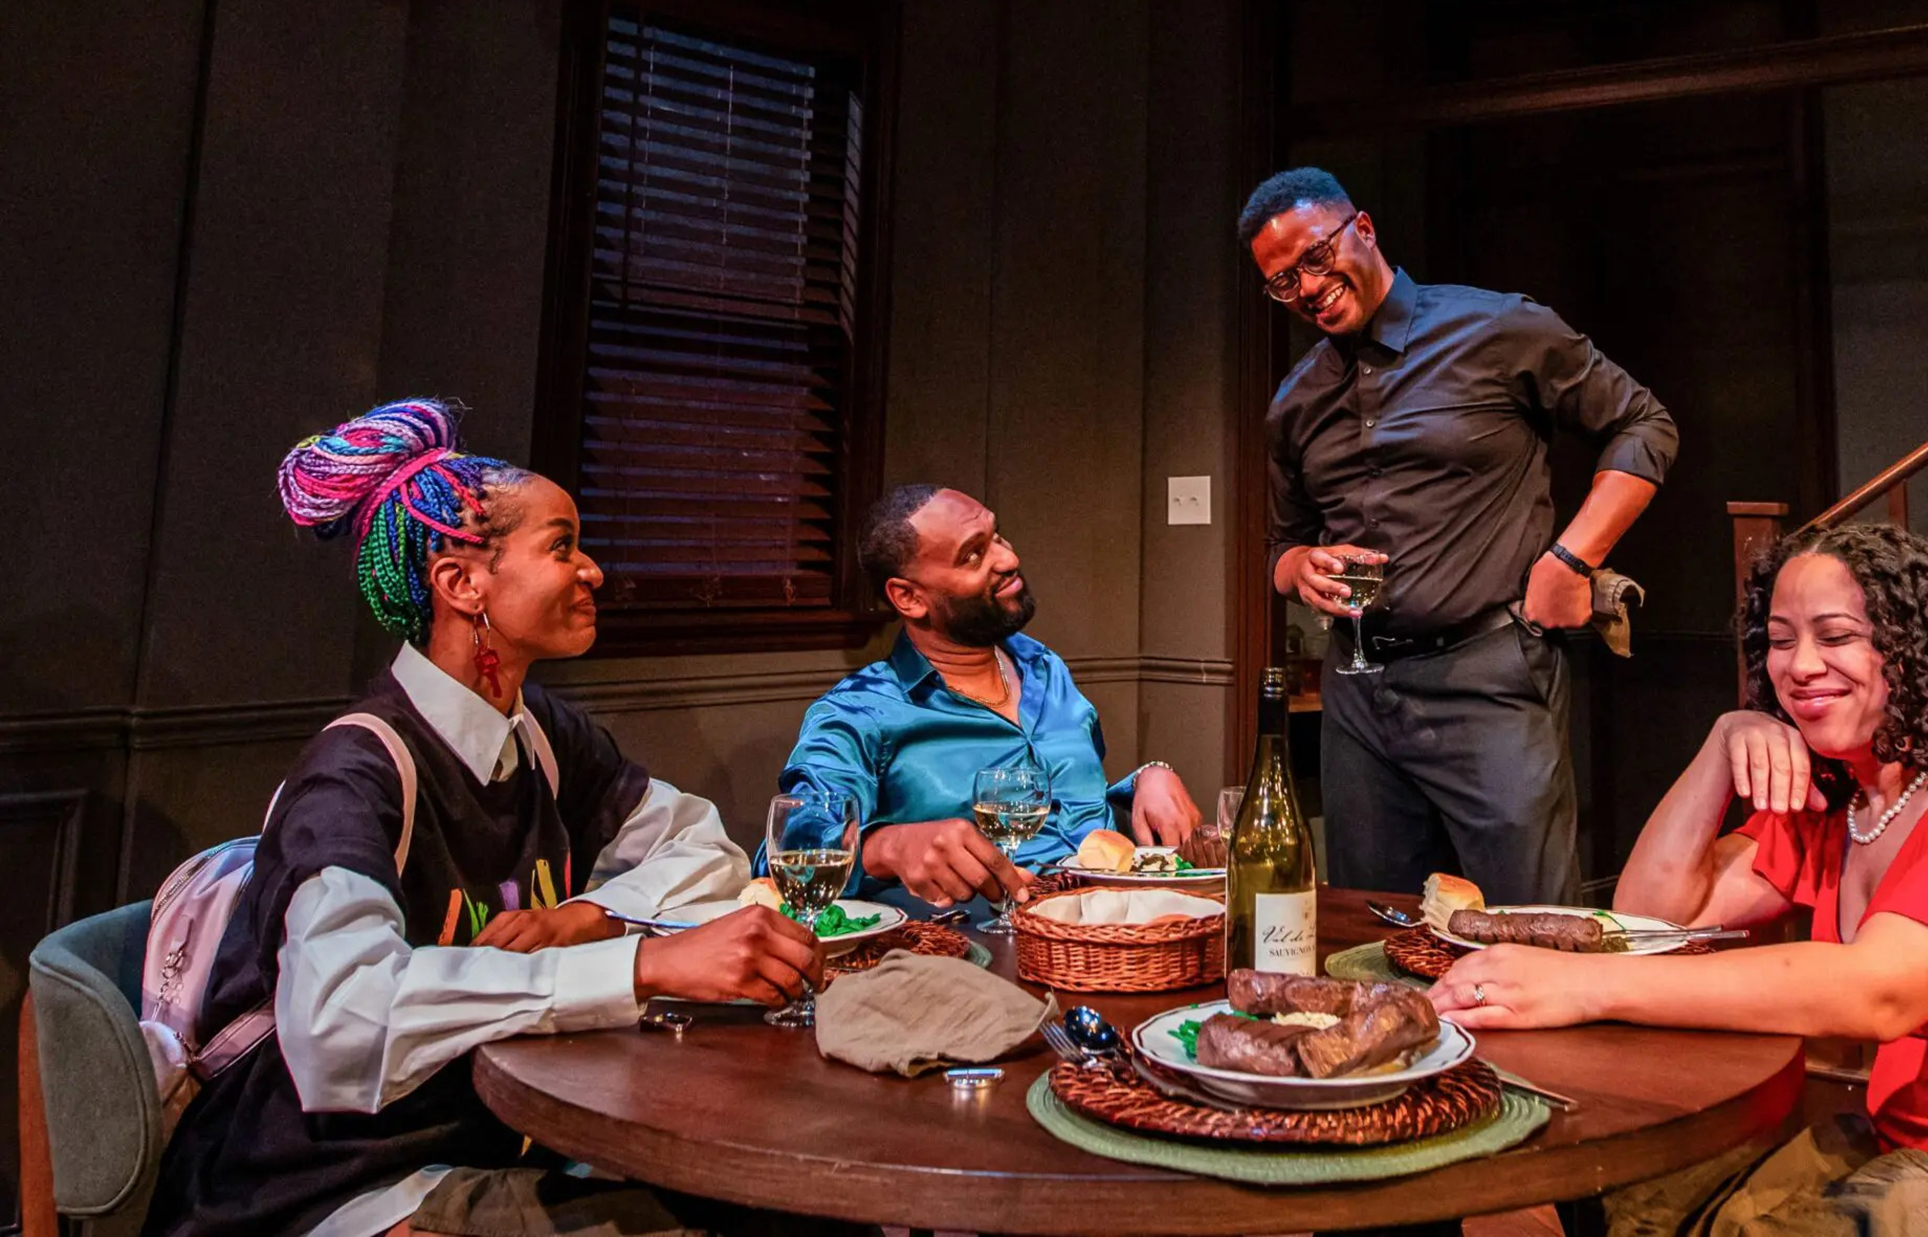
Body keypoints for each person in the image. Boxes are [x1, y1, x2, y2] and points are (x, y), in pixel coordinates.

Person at [147, 400, 846, 1237]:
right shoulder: (358, 772)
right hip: (336, 1186)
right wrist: (641, 966)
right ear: (460, 582)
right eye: (561, 546)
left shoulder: (541, 735)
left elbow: (702, 848)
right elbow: (341, 1018)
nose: (590, 570)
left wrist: (587, 917)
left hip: (506, 1138)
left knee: (801, 1206)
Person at [1430, 524, 1928, 1236]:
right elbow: (1652, 917)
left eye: (1837, 637)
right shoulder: (1848, 798)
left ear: (1914, 650)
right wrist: (1722, 740)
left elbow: (1878, 990)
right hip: (1913, 1146)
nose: (1799, 666)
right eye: (1778, 641)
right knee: (1640, 1197)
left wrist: (1580, 986)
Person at [1242, 166, 1678, 902]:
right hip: (1360, 694)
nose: (1308, 288)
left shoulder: (1497, 329)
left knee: (1529, 926)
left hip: (1489, 678)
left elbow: (1646, 423)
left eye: (1316, 258)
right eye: (1284, 282)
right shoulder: (1296, 401)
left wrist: (1573, 557)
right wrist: (1299, 568)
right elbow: (1281, 546)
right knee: (1370, 937)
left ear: (1364, 230)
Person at [775, 484, 1202, 909]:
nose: (1009, 559)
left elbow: (1073, 810)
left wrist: (1147, 779)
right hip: (981, 953)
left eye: (996, 536)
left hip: (1119, 935)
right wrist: (887, 846)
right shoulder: (859, 711)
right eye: (973, 555)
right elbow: (791, 852)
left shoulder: (1043, 667)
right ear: (908, 597)